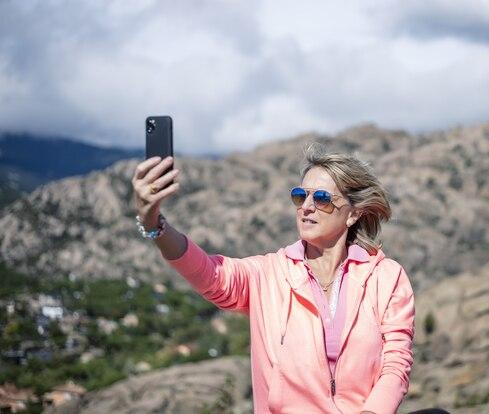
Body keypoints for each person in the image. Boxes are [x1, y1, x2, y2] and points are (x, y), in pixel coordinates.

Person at [132, 145, 415, 413]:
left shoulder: (386, 277)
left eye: (321, 198)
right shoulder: (266, 274)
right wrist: (154, 224)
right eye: (299, 196)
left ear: (353, 214)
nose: (306, 206)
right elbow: (208, 273)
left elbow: (395, 364)